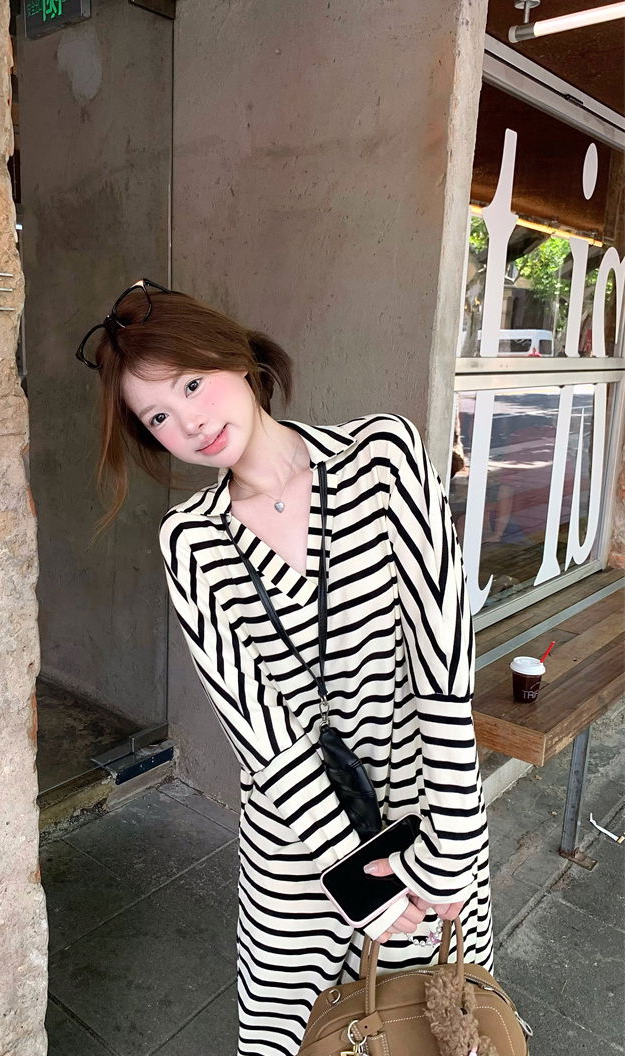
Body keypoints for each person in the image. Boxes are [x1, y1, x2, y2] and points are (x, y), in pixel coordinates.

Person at [78, 278, 494, 1056]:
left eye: (191, 383)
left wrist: (456, 833)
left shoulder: (383, 455)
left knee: (432, 1025)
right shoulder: (191, 541)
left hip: (425, 814)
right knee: (294, 1035)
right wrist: (350, 874)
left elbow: (442, 660)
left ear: (236, 358)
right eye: (157, 416)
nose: (188, 422)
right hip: (298, 850)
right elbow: (263, 736)